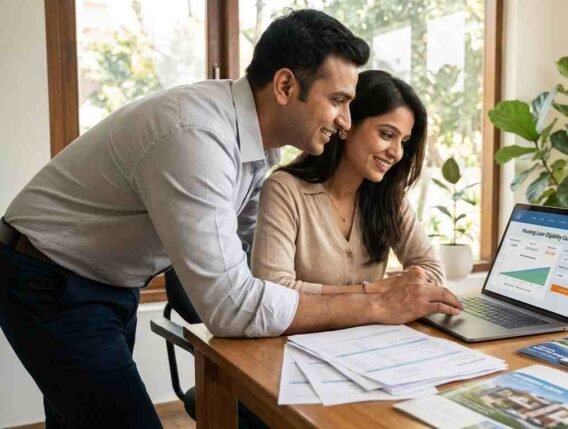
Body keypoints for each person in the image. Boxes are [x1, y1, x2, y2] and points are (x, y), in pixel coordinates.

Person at [0, 9, 461, 428]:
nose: (344, 120)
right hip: (49, 277)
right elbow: (232, 305)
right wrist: (375, 301)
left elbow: (246, 255)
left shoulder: (258, 144)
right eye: (338, 100)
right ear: (285, 87)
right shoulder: (197, 138)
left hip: (108, 280)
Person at [252, 70, 444, 295]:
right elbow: (272, 289)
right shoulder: (284, 190)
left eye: (404, 141)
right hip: (302, 331)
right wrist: (375, 291)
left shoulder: (389, 197)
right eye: (386, 134)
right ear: (347, 124)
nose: (397, 153)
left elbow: (433, 272)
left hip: (375, 331)